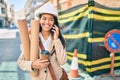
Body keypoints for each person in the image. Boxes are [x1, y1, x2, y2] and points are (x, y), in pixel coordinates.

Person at [17, 2, 68, 80]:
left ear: (54, 22)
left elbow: (62, 61)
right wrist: (32, 64)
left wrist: (56, 39)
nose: (47, 22)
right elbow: (20, 62)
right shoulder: (32, 38)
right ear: (40, 20)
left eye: (51, 19)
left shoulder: (59, 38)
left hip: (57, 77)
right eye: (44, 18)